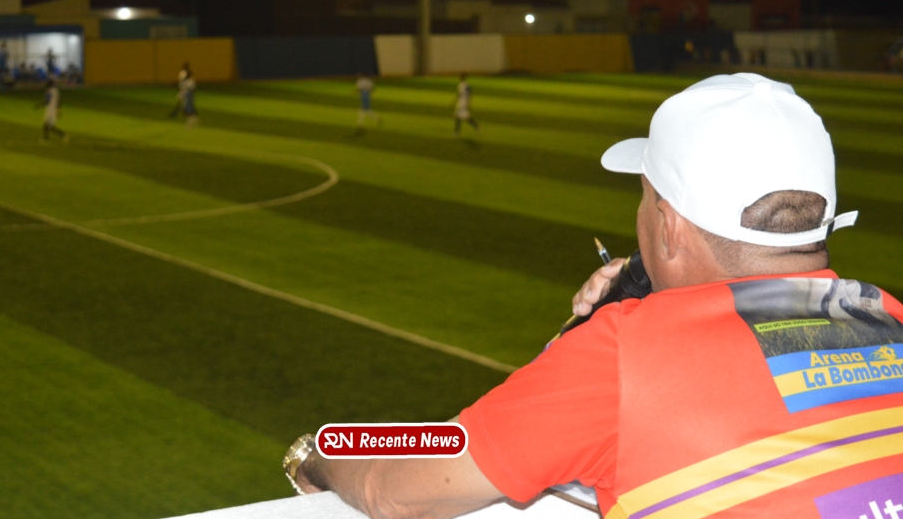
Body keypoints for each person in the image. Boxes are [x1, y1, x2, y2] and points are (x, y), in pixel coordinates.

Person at [288, 73, 903, 518]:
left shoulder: (622, 358)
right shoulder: (891, 318)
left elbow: (399, 490)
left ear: (668, 226)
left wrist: (324, 450)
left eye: (645, 198)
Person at [38, 79, 68, 144]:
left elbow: (47, 101)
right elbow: (59, 100)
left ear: (49, 84)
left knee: (45, 124)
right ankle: (62, 135)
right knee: (51, 126)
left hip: (50, 110)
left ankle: (46, 139)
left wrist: (39, 105)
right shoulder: (56, 91)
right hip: (54, 110)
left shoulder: (49, 91)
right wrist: (59, 110)